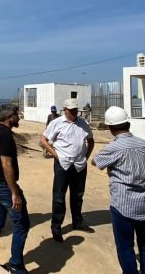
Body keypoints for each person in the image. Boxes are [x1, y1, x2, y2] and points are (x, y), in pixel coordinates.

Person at [92, 106, 145, 274]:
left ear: (111, 128)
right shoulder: (143, 144)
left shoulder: (114, 147)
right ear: (128, 124)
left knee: (125, 247)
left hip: (123, 205)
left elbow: (95, 161)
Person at [40, 98, 95, 242]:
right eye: (71, 110)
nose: (74, 113)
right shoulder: (56, 123)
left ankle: (78, 221)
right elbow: (43, 140)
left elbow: (91, 141)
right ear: (64, 109)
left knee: (78, 195)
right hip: (62, 165)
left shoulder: (83, 123)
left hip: (79, 165)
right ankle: (56, 227)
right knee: (59, 196)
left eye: (76, 110)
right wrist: (56, 155)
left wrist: (85, 157)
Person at [0, 104, 29, 274]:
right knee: (22, 224)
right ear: (10, 116)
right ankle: (16, 266)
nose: (19, 117)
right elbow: (6, 164)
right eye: (17, 114)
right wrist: (14, 193)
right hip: (3, 187)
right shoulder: (4, 135)